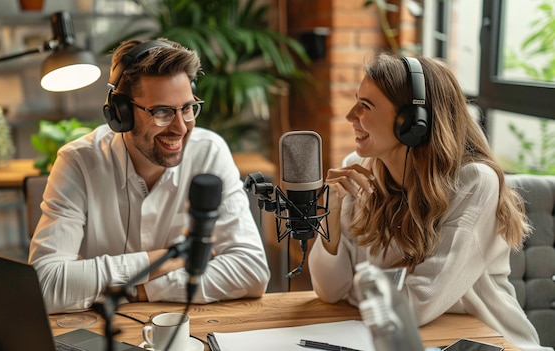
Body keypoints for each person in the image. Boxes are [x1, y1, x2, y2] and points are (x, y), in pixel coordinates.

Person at [308, 53, 552, 351]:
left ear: (412, 122)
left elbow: (414, 307)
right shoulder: (357, 170)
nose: (350, 116)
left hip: (488, 342)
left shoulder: (474, 182)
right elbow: (330, 290)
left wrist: (360, 291)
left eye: (366, 106)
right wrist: (331, 209)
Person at [28, 38, 270, 314]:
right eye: (162, 112)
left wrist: (138, 289)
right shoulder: (78, 162)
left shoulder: (209, 153)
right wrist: (166, 260)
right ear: (122, 113)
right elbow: (44, 285)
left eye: (188, 108)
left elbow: (250, 270)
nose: (180, 128)